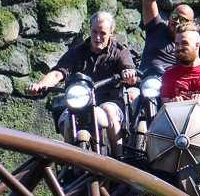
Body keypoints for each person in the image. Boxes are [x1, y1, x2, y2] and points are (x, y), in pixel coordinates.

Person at [26, 11, 136, 156]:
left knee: (109, 110)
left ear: (111, 33)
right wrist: (39, 85)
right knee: (66, 119)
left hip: (110, 100)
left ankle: (119, 160)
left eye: (102, 33)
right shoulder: (76, 52)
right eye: (94, 32)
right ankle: (71, 162)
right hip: (79, 101)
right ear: (89, 31)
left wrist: (128, 75)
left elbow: (131, 75)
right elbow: (58, 73)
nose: (97, 37)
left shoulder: (120, 52)